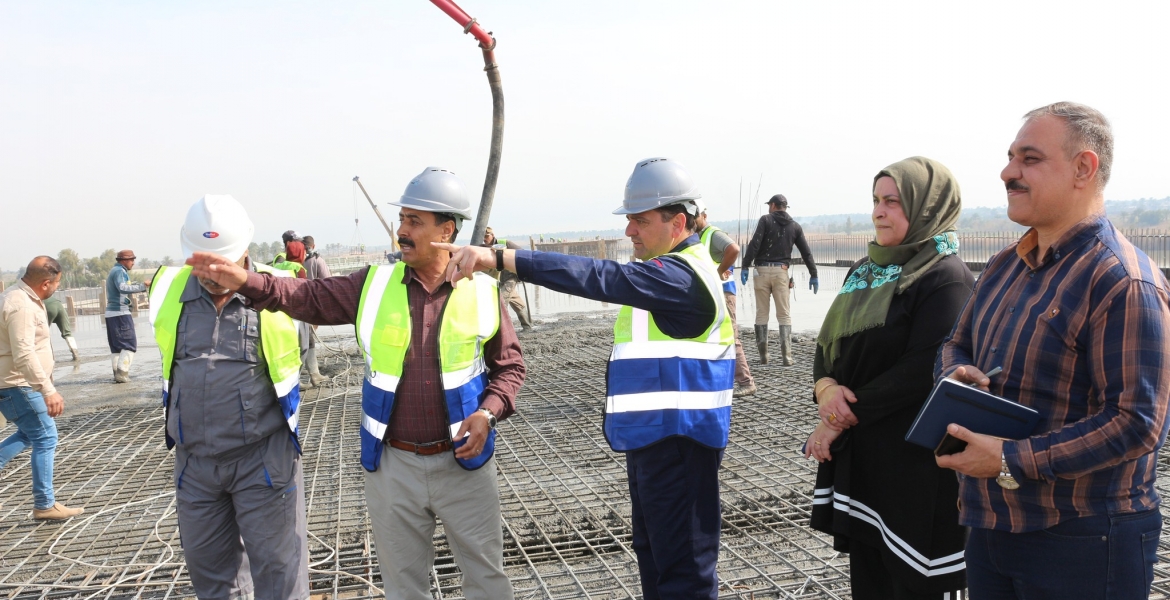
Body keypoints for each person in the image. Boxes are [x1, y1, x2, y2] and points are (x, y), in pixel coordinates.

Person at [185, 166, 525, 600]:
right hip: (392, 467)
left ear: (447, 230)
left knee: (487, 581)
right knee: (403, 587)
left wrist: (487, 412)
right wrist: (248, 282)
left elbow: (510, 367)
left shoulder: (481, 291)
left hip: (464, 464)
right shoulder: (373, 284)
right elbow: (304, 297)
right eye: (401, 219)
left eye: (414, 222)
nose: (401, 231)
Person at [439, 157, 733, 599]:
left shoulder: (680, 276)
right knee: (657, 562)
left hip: (681, 447)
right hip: (653, 444)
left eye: (639, 220)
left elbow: (596, 276)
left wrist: (498, 257)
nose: (629, 231)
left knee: (683, 575)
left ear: (677, 222)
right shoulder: (669, 271)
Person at [935, 102, 1169, 600]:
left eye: (1029, 159)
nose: (1007, 172)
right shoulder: (1005, 265)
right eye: (1010, 157)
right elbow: (956, 343)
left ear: (1084, 168)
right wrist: (957, 375)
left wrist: (1011, 459)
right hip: (993, 524)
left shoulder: (1123, 281)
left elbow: (1137, 422)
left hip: (1083, 539)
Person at [803, 157, 973, 599]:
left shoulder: (945, 277)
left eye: (893, 202)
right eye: (876, 200)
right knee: (873, 577)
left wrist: (836, 417)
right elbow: (828, 346)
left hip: (914, 466)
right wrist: (825, 387)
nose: (879, 211)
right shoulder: (866, 272)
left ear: (926, 207)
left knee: (916, 581)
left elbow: (921, 371)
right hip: (867, 463)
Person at [149, 195, 309, 599]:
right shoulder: (167, 287)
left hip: (263, 460)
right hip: (196, 466)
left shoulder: (280, 292)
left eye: (221, 263)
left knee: (279, 574)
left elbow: (301, 351)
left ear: (245, 252)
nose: (211, 273)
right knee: (211, 577)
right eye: (202, 263)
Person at [0, 256, 85, 520]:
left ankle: (45, 503)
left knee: (29, 435)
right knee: (46, 437)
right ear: (46, 283)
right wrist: (47, 390)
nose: (57, 288)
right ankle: (44, 505)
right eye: (57, 283)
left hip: (16, 383)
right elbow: (23, 353)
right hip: (20, 384)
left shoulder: (16, 296)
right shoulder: (21, 305)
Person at [740, 194, 818, 365]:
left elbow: (754, 244)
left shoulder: (765, 220)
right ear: (785, 207)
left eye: (770, 205)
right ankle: (787, 357)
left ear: (774, 205)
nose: (769, 207)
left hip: (761, 271)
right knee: (784, 314)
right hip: (781, 273)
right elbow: (806, 252)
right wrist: (813, 274)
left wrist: (745, 265)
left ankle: (764, 356)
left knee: (762, 313)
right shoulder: (795, 227)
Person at [694, 200, 756, 397]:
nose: (693, 220)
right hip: (711, 293)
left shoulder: (713, 234)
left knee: (730, 336)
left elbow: (734, 249)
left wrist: (720, 271)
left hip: (723, 292)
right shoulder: (698, 237)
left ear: (704, 215)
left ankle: (746, 382)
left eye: (696, 216)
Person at [105, 249, 149, 383]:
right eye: (132, 260)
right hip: (120, 313)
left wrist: (139, 285)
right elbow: (123, 288)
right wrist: (143, 286)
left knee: (117, 347)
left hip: (111, 314)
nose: (133, 263)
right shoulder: (120, 271)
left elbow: (126, 286)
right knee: (129, 344)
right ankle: (122, 374)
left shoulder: (115, 271)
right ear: (124, 261)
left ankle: (117, 374)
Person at [482, 226, 534, 331]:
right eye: (483, 236)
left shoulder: (505, 244)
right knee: (516, 301)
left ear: (493, 235)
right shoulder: (484, 247)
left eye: (487, 236)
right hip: (500, 279)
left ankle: (503, 329)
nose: (485, 238)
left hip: (511, 277)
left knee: (501, 299)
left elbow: (523, 253)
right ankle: (527, 326)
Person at [300, 236, 329, 388]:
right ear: (313, 245)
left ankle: (313, 373)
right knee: (307, 340)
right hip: (311, 306)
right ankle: (313, 374)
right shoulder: (317, 260)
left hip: (293, 306)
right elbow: (328, 282)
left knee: (301, 340)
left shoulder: (289, 260)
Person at [44, 295, 80, 361]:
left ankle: (48, 359)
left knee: (42, 335)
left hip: (47, 307)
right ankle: (76, 355)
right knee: (67, 333)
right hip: (59, 305)